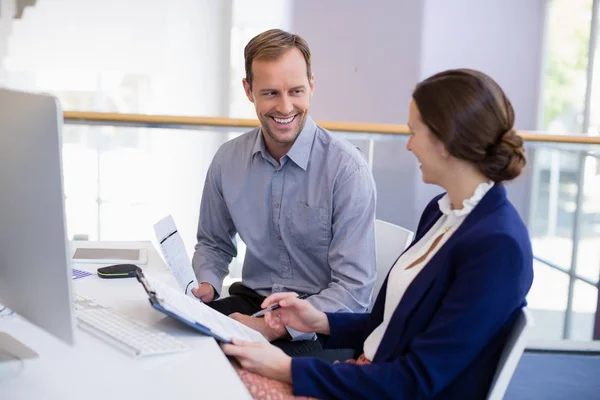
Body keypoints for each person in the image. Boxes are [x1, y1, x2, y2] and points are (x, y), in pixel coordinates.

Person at [221, 68, 534, 400]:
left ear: (447, 141)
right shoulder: (443, 212)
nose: (409, 145)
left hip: (385, 387)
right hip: (370, 375)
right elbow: (393, 324)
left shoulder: (498, 247)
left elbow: (415, 381)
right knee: (222, 370)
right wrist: (318, 321)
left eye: (415, 132)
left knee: (225, 382)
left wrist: (285, 368)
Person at [190, 29, 377, 357]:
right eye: (271, 93)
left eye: (296, 91)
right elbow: (213, 244)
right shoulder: (227, 160)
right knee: (180, 340)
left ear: (312, 85)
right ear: (249, 91)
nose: (285, 106)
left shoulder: (347, 170)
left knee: (238, 369)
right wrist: (207, 283)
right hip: (251, 301)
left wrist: (272, 326)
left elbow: (354, 293)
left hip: (319, 322)